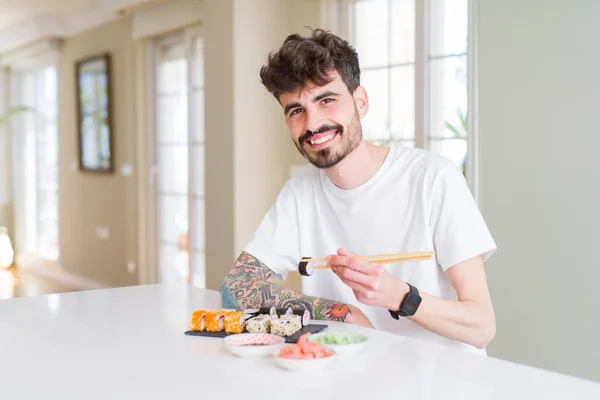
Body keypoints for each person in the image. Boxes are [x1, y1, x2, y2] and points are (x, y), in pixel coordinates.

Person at [220, 29, 497, 354]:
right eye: (296, 110)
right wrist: (343, 312)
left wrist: (401, 297)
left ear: (360, 102)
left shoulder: (434, 178)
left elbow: (482, 326)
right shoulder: (300, 192)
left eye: (326, 100)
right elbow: (235, 289)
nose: (311, 124)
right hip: (355, 378)